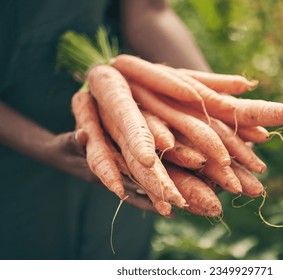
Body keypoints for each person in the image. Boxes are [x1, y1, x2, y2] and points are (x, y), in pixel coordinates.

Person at [0, 0, 210, 259]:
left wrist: (211, 108)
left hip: (124, 152)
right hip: (13, 155)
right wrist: (43, 146)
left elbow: (148, 11)